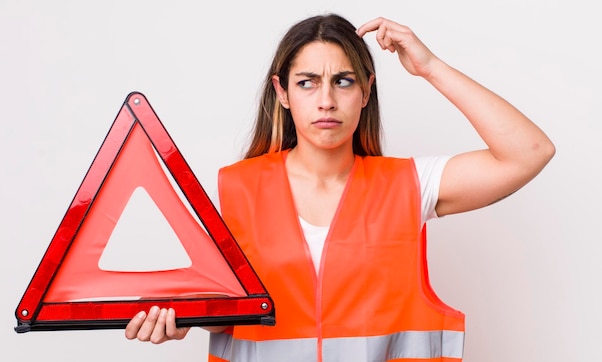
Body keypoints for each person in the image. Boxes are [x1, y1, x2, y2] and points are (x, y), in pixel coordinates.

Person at [124, 13, 555, 361]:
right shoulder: (236, 188)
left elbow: (529, 151)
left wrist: (429, 68)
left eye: (343, 81)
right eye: (307, 82)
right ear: (283, 92)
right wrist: (186, 319)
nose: (326, 99)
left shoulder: (409, 184)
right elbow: (230, 315)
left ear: (366, 91)